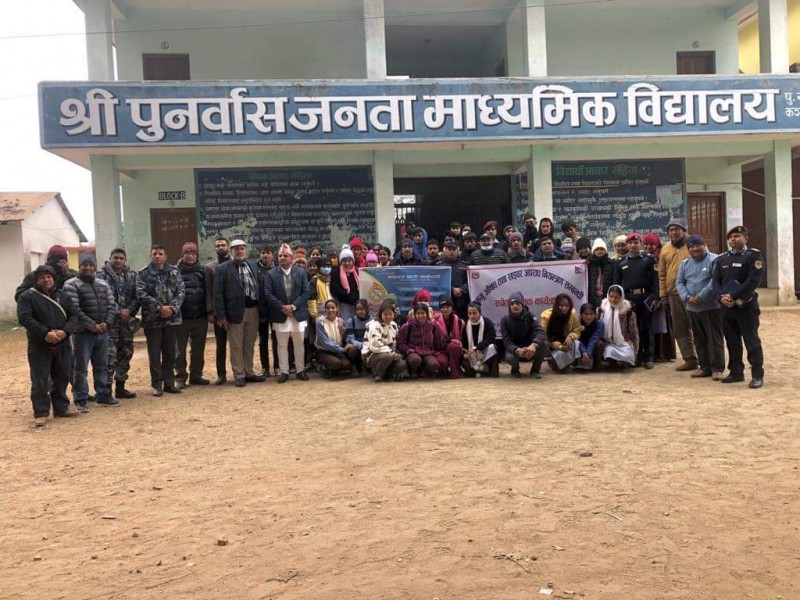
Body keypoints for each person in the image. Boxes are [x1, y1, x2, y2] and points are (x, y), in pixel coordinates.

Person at [17, 266, 80, 426]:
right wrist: (45, 333)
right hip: (39, 344)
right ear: (36, 280)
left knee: (62, 376)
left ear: (54, 279)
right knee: (40, 379)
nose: (46, 280)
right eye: (42, 277)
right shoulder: (27, 297)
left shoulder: (63, 295)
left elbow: (74, 315)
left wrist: (65, 332)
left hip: (62, 343)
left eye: (49, 277)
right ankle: (41, 412)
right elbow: (24, 318)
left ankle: (61, 408)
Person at [63, 252, 119, 410]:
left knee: (102, 366)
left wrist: (107, 323)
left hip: (102, 332)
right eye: (84, 265)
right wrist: (91, 325)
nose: (88, 268)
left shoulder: (103, 284)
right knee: (80, 368)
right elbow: (74, 309)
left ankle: (103, 395)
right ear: (79, 266)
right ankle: (81, 399)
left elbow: (111, 305)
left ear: (95, 267)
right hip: (82, 334)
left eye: (90, 265)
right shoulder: (71, 285)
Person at [711, 226, 765, 388]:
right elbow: (715, 280)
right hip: (726, 307)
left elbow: (754, 280)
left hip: (746, 306)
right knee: (732, 340)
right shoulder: (722, 258)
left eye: (737, 236)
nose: (733, 239)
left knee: (751, 340)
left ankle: (757, 375)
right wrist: (720, 297)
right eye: (731, 237)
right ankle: (736, 372)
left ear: (746, 239)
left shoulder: (753, 256)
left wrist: (733, 296)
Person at [214, 239, 265, 387]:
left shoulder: (253, 265)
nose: (239, 251)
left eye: (242, 248)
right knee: (236, 345)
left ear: (246, 250)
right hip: (234, 312)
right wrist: (221, 315)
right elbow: (218, 294)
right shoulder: (223, 268)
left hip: (253, 310)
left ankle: (249, 372)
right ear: (231, 251)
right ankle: (239, 374)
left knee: (249, 344)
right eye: (236, 249)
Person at [137, 244, 185, 396]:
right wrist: (159, 308)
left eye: (160, 254)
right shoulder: (143, 273)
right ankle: (157, 384)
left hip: (172, 319)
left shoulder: (174, 272)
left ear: (166, 257)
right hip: (152, 321)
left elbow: (181, 292)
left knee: (170, 353)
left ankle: (169, 383)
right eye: (154, 253)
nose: (157, 256)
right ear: (151, 256)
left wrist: (171, 309)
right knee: (154, 354)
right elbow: (141, 294)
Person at [677, 235, 724, 380]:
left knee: (714, 339)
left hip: (711, 307)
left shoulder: (714, 260)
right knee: (699, 339)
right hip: (692, 307)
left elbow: (714, 281)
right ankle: (704, 367)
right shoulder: (685, 264)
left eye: (697, 245)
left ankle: (717, 369)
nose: (694, 249)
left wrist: (700, 297)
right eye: (691, 247)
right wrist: (687, 297)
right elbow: (679, 283)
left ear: (704, 245)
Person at [264, 243, 313, 383]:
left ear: (291, 258)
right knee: (281, 344)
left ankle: (300, 370)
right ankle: (284, 371)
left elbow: (306, 293)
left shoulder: (301, 273)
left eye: (285, 255)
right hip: (280, 314)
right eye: (280, 256)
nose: (282, 258)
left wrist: (293, 306)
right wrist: (282, 307)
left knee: (299, 343)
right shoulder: (271, 274)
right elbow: (268, 294)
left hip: (298, 313)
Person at [96, 247, 139, 400]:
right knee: (108, 357)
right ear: (110, 258)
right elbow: (100, 297)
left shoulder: (132, 276)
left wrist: (130, 309)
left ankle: (121, 388)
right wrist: (118, 310)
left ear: (125, 260)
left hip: (126, 324)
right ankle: (106, 390)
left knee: (125, 354)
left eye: (121, 258)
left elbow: (138, 296)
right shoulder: (100, 276)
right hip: (109, 323)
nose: (118, 260)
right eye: (115, 258)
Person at [657, 218, 697, 371]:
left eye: (677, 229)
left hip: (693, 294)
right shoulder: (665, 249)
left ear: (684, 230)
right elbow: (662, 274)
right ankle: (690, 358)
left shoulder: (694, 245)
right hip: (673, 294)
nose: (674, 232)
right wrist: (663, 296)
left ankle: (706, 359)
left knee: (698, 327)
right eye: (671, 230)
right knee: (680, 328)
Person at [614, 232, 658, 368]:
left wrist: (656, 297)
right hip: (629, 299)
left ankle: (649, 357)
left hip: (646, 298)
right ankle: (636, 356)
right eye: (630, 243)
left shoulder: (649, 260)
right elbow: (617, 283)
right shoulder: (621, 263)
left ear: (640, 244)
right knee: (633, 328)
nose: (633, 245)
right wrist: (620, 301)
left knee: (647, 327)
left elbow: (656, 280)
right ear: (627, 245)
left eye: (636, 243)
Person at [175, 242, 210, 388]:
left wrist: (209, 311)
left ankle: (196, 376)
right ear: (182, 255)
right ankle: (180, 377)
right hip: (181, 317)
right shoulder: (175, 271)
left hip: (200, 316)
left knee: (198, 349)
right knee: (179, 350)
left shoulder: (203, 271)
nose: (190, 256)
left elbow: (208, 291)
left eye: (192, 253)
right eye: (187, 254)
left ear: (196, 256)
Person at [500, 291, 546, 378]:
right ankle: (515, 370)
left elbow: (541, 332)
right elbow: (507, 342)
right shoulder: (504, 320)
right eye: (512, 304)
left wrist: (534, 345)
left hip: (530, 349)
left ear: (523, 304)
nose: (515, 306)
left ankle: (535, 371)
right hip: (515, 350)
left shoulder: (531, 316)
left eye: (517, 303)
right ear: (509, 306)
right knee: (510, 358)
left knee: (544, 345)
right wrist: (517, 350)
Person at [205, 236, 231, 385]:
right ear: (215, 249)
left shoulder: (236, 264)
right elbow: (208, 290)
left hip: (235, 312)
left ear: (228, 247)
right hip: (218, 313)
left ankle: (240, 371)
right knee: (220, 345)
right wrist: (210, 312)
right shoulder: (210, 268)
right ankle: (221, 374)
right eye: (218, 246)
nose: (221, 247)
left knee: (237, 344)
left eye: (223, 245)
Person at [397, 302, 448, 379]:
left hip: (428, 352)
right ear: (414, 314)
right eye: (418, 313)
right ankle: (413, 370)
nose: (420, 316)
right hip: (413, 351)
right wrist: (407, 349)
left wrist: (443, 346)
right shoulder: (408, 326)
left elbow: (437, 342)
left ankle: (424, 369)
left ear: (427, 314)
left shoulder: (433, 326)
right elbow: (400, 342)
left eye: (423, 313)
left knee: (434, 364)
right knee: (415, 360)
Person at [363, 300, 409, 382]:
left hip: (390, 353)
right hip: (372, 354)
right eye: (385, 314)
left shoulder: (394, 325)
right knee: (387, 357)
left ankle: (384, 373)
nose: (388, 316)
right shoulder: (374, 325)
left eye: (390, 314)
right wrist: (391, 353)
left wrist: (396, 354)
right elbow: (375, 346)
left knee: (402, 365)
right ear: (380, 314)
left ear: (394, 314)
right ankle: (378, 374)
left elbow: (395, 342)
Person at [314, 299, 358, 378]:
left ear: (337, 309)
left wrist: (347, 342)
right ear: (325, 309)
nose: (330, 310)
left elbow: (345, 337)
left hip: (337, 351)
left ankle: (334, 370)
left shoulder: (341, 321)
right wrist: (342, 349)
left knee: (346, 365)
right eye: (328, 308)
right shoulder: (320, 322)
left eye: (333, 308)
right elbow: (325, 342)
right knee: (336, 363)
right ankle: (324, 368)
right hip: (324, 351)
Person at [599, 285, 639, 369]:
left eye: (616, 297)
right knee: (609, 352)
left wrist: (635, 350)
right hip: (609, 343)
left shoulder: (628, 312)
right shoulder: (602, 310)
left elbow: (634, 333)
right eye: (611, 296)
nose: (613, 300)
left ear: (621, 297)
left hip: (624, 343)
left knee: (628, 355)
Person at [540, 294, 582, 372]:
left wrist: (570, 337)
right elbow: (545, 336)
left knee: (576, 343)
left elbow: (577, 330)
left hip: (568, 343)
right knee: (558, 367)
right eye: (562, 306)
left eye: (567, 306)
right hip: (553, 345)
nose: (564, 308)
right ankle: (553, 361)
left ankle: (571, 363)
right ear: (557, 305)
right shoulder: (548, 316)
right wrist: (560, 347)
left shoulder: (572, 313)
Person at [461, 302, 499, 378]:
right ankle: (473, 370)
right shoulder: (466, 325)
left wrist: (476, 348)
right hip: (471, 354)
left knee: (493, 347)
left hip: (483, 351)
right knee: (466, 365)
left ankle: (493, 371)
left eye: (474, 313)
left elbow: (491, 339)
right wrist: (466, 351)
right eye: (470, 313)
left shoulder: (487, 322)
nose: (472, 316)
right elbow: (464, 342)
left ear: (480, 313)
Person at [255, 244, 277, 377]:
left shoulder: (277, 268)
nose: (266, 255)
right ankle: (265, 367)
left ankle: (277, 366)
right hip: (260, 309)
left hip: (275, 309)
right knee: (263, 339)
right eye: (263, 253)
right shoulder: (254, 269)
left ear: (272, 255)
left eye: (268, 253)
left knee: (276, 338)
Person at [432, 295, 464, 379]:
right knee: (442, 362)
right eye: (443, 307)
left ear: (452, 308)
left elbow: (463, 339)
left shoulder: (460, 322)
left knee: (452, 346)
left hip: (455, 350)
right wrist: (450, 340)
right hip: (441, 350)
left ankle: (455, 372)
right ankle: (443, 370)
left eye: (447, 307)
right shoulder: (434, 322)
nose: (445, 309)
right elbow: (435, 342)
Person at [440, 241, 470, 321]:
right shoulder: (440, 266)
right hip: (446, 300)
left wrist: (462, 289)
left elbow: (471, 281)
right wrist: (452, 289)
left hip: (463, 300)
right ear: (445, 250)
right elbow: (439, 282)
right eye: (449, 249)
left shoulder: (465, 265)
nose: (451, 251)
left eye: (454, 249)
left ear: (458, 250)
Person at [330, 244, 360, 321]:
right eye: (344, 261)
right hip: (343, 303)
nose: (347, 263)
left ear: (353, 261)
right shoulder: (337, 272)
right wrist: (347, 295)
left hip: (356, 303)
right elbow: (334, 289)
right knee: (346, 323)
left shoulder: (356, 271)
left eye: (349, 261)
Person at [575, 303, 605, 371]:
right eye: (586, 314)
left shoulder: (600, 324)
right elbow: (579, 339)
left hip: (593, 348)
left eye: (591, 314)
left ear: (595, 314)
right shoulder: (577, 324)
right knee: (575, 342)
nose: (589, 316)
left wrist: (588, 354)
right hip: (581, 347)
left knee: (599, 343)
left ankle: (597, 366)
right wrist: (584, 352)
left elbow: (593, 339)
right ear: (581, 315)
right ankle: (576, 363)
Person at [345, 299, 372, 374]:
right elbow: (350, 339)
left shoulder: (372, 321)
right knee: (351, 349)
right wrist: (361, 345)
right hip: (356, 346)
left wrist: (366, 345)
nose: (360, 311)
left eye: (362, 309)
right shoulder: (351, 321)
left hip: (368, 345)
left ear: (366, 309)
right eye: (357, 309)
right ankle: (353, 365)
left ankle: (366, 365)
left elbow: (372, 337)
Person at [588, 238, 614, 307]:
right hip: (592, 298)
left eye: (602, 249)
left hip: (608, 298)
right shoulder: (589, 264)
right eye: (597, 249)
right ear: (593, 251)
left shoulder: (611, 263)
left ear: (605, 250)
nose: (599, 251)